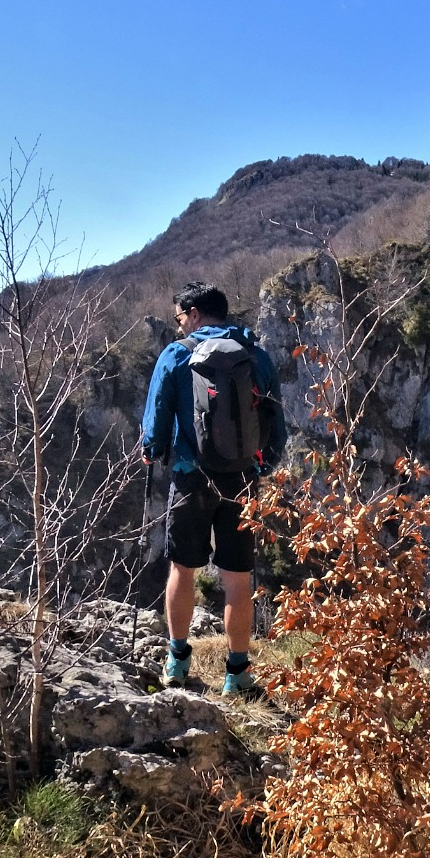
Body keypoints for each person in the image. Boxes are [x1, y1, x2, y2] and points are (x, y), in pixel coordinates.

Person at [141, 282, 286, 696]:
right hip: (241, 479)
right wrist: (262, 464)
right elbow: (275, 422)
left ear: (195, 313)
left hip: (191, 478)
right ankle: (237, 674)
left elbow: (156, 422)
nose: (179, 324)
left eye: (180, 317)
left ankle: (177, 661)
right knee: (237, 579)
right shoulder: (256, 355)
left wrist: (155, 452)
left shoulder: (177, 354)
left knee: (182, 569)